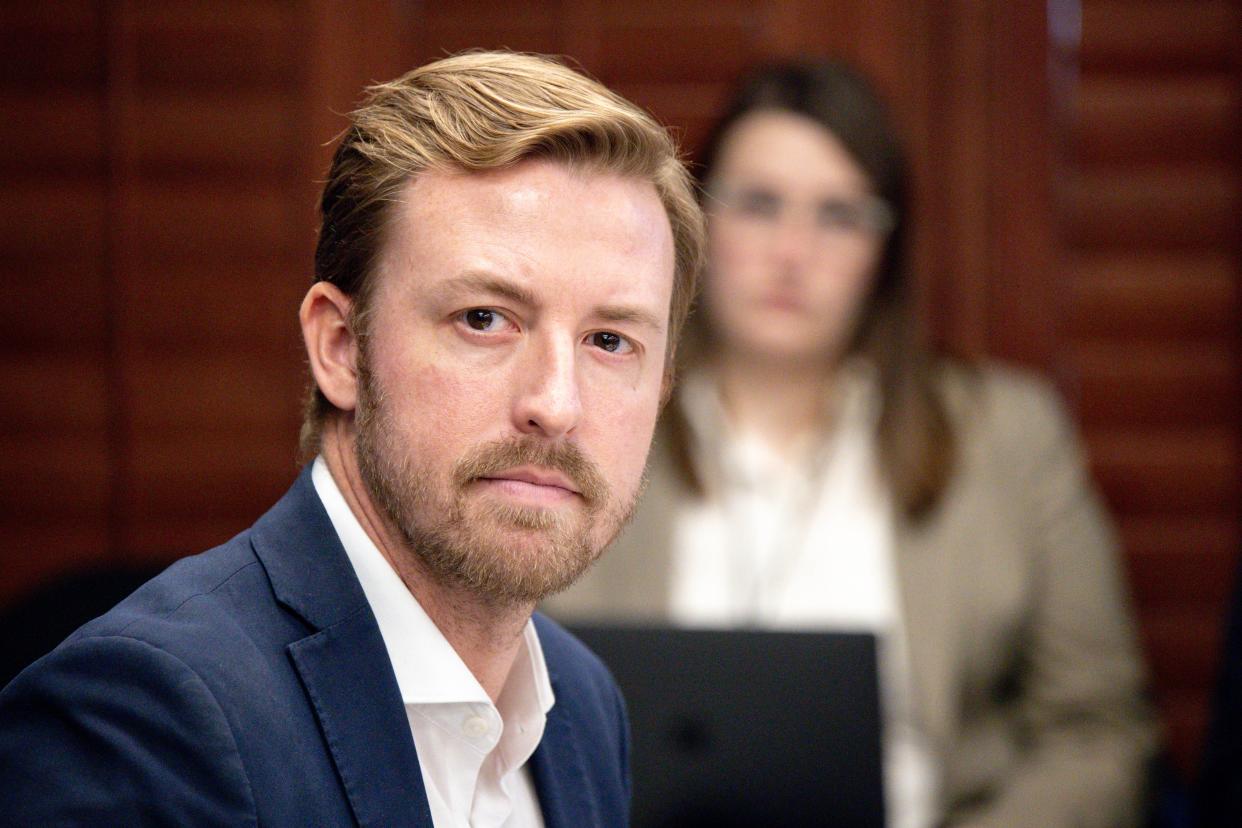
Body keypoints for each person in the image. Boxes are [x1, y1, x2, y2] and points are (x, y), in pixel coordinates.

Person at [0, 50, 704, 826]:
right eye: (484, 319)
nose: (556, 403)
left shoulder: (581, 705)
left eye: (610, 341)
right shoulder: (146, 715)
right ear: (340, 346)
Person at [545, 60, 1156, 827]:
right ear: (695, 220)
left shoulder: (1009, 438)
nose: (793, 252)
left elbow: (1098, 729)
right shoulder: (581, 417)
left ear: (885, 247)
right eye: (760, 203)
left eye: (838, 214)